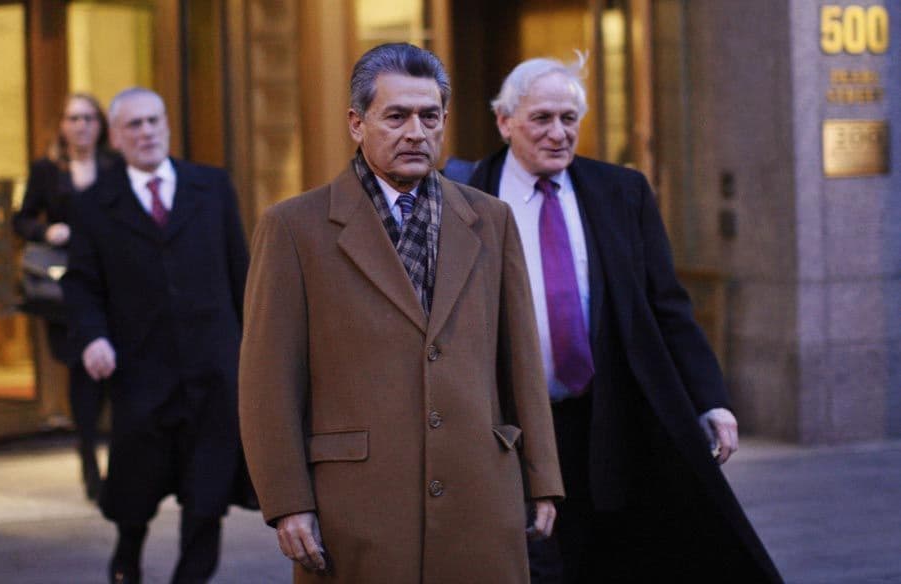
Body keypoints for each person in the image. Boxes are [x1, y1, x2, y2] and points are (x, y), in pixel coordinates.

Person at [239, 43, 564, 584]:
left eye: (429, 116)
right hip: (357, 507)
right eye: (396, 116)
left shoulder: (491, 219)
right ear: (356, 123)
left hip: (480, 494)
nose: (416, 131)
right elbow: (267, 382)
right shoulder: (294, 228)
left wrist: (543, 479)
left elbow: (522, 361)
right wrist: (287, 501)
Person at [462, 57, 783, 583]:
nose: (558, 133)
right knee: (531, 559)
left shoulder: (620, 191)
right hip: (511, 423)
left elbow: (667, 304)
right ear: (504, 121)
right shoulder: (466, 198)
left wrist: (711, 398)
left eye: (570, 118)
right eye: (542, 118)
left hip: (605, 415)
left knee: (610, 552)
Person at [61, 87, 250, 584]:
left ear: (166, 125)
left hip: (213, 368)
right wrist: (92, 337)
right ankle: (127, 557)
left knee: (207, 490)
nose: (146, 132)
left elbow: (241, 273)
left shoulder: (211, 187)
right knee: (135, 486)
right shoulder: (93, 205)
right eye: (134, 126)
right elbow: (80, 286)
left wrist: (254, 349)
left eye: (153, 122)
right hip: (141, 372)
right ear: (117, 137)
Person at [13, 92, 116, 502]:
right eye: (74, 118)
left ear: (100, 125)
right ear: (62, 124)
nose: (81, 126)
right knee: (82, 371)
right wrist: (45, 231)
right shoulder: (47, 170)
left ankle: (113, 456)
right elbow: (21, 219)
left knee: (114, 369)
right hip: (66, 286)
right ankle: (89, 457)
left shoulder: (116, 167)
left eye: (89, 118)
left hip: (112, 284)